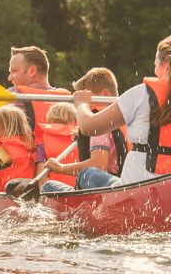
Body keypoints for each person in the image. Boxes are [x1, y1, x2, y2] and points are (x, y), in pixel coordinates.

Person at [71, 35, 171, 188]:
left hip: (135, 191)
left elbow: (89, 127)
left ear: (165, 65)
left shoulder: (140, 94)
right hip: (165, 193)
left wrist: (82, 104)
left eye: (155, 65)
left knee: (86, 174)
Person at [0, 45, 70, 170]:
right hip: (59, 168)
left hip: (21, 171)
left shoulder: (14, 98)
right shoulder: (67, 100)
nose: (9, 78)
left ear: (32, 71)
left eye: (14, 71)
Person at [41, 67, 129, 193]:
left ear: (104, 94)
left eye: (86, 100)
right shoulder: (126, 118)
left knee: (48, 186)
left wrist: (61, 168)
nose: (82, 108)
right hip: (124, 182)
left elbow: (99, 165)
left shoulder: (98, 123)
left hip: (108, 191)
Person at [38, 102, 79, 187]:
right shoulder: (83, 137)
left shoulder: (43, 142)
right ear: (75, 120)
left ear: (49, 119)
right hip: (80, 189)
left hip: (55, 190)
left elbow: (41, 176)